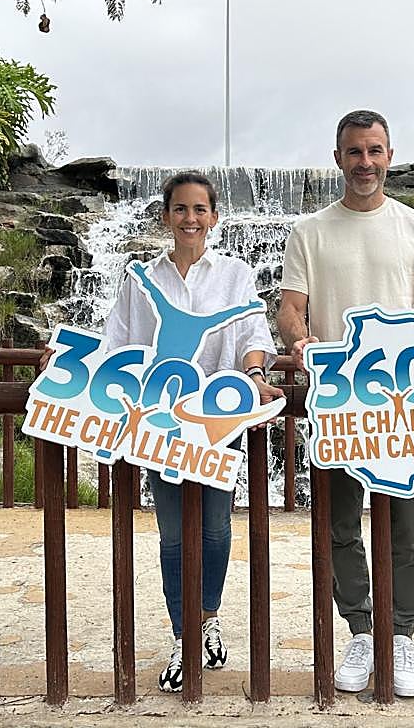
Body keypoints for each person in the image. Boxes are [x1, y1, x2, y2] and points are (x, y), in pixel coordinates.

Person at [277, 109, 414, 698]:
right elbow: (291, 307)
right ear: (338, 157)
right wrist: (297, 338)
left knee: (412, 527)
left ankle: (403, 635)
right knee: (340, 524)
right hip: (337, 399)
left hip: (405, 402)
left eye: (376, 151)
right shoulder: (308, 231)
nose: (366, 162)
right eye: (355, 152)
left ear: (390, 155)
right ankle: (362, 631)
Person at [101, 171, 283, 693]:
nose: (190, 219)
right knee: (173, 535)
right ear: (166, 216)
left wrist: (253, 374)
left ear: (214, 218)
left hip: (218, 419)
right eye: (180, 209)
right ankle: (183, 637)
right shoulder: (140, 279)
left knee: (216, 529)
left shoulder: (235, 274)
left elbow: (253, 333)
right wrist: (67, 353)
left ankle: (207, 618)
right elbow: (116, 337)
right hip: (159, 418)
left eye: (200, 209)